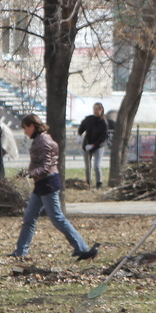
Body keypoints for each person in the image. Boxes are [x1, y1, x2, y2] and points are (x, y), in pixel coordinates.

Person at [9, 114, 99, 260]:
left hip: (48, 183)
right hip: (41, 184)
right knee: (29, 218)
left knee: (57, 218)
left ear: (32, 126)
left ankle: (82, 248)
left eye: (25, 128)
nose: (25, 131)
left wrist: (30, 174)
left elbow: (46, 167)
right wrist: (29, 173)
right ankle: (20, 251)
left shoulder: (43, 141)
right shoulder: (39, 139)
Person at [77, 102, 110, 188]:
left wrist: (93, 145)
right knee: (88, 165)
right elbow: (81, 127)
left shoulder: (103, 122)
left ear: (101, 110)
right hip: (87, 145)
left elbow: (103, 137)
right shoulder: (89, 119)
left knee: (97, 165)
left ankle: (99, 183)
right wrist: (79, 135)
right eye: (94, 109)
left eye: (97, 109)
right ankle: (88, 182)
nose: (96, 111)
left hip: (98, 146)